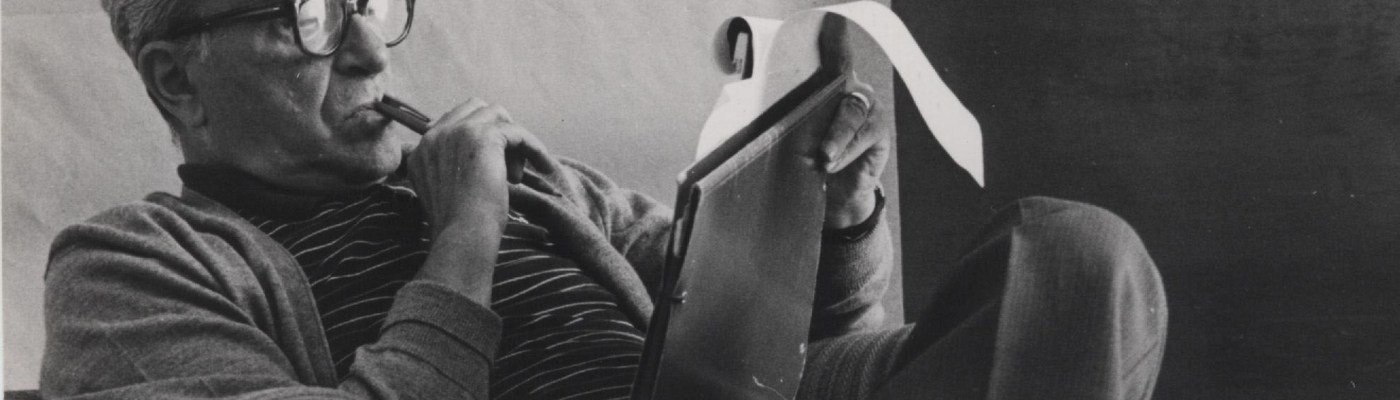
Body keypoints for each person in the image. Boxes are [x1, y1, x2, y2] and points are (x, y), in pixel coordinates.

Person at [41, 0, 1167, 399]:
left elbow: (779, 338)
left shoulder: (523, 174)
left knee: (1075, 260)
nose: (370, 53)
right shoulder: (127, 265)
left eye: (368, 2)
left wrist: (838, 224)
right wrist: (464, 242)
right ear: (177, 80)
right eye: (307, 18)